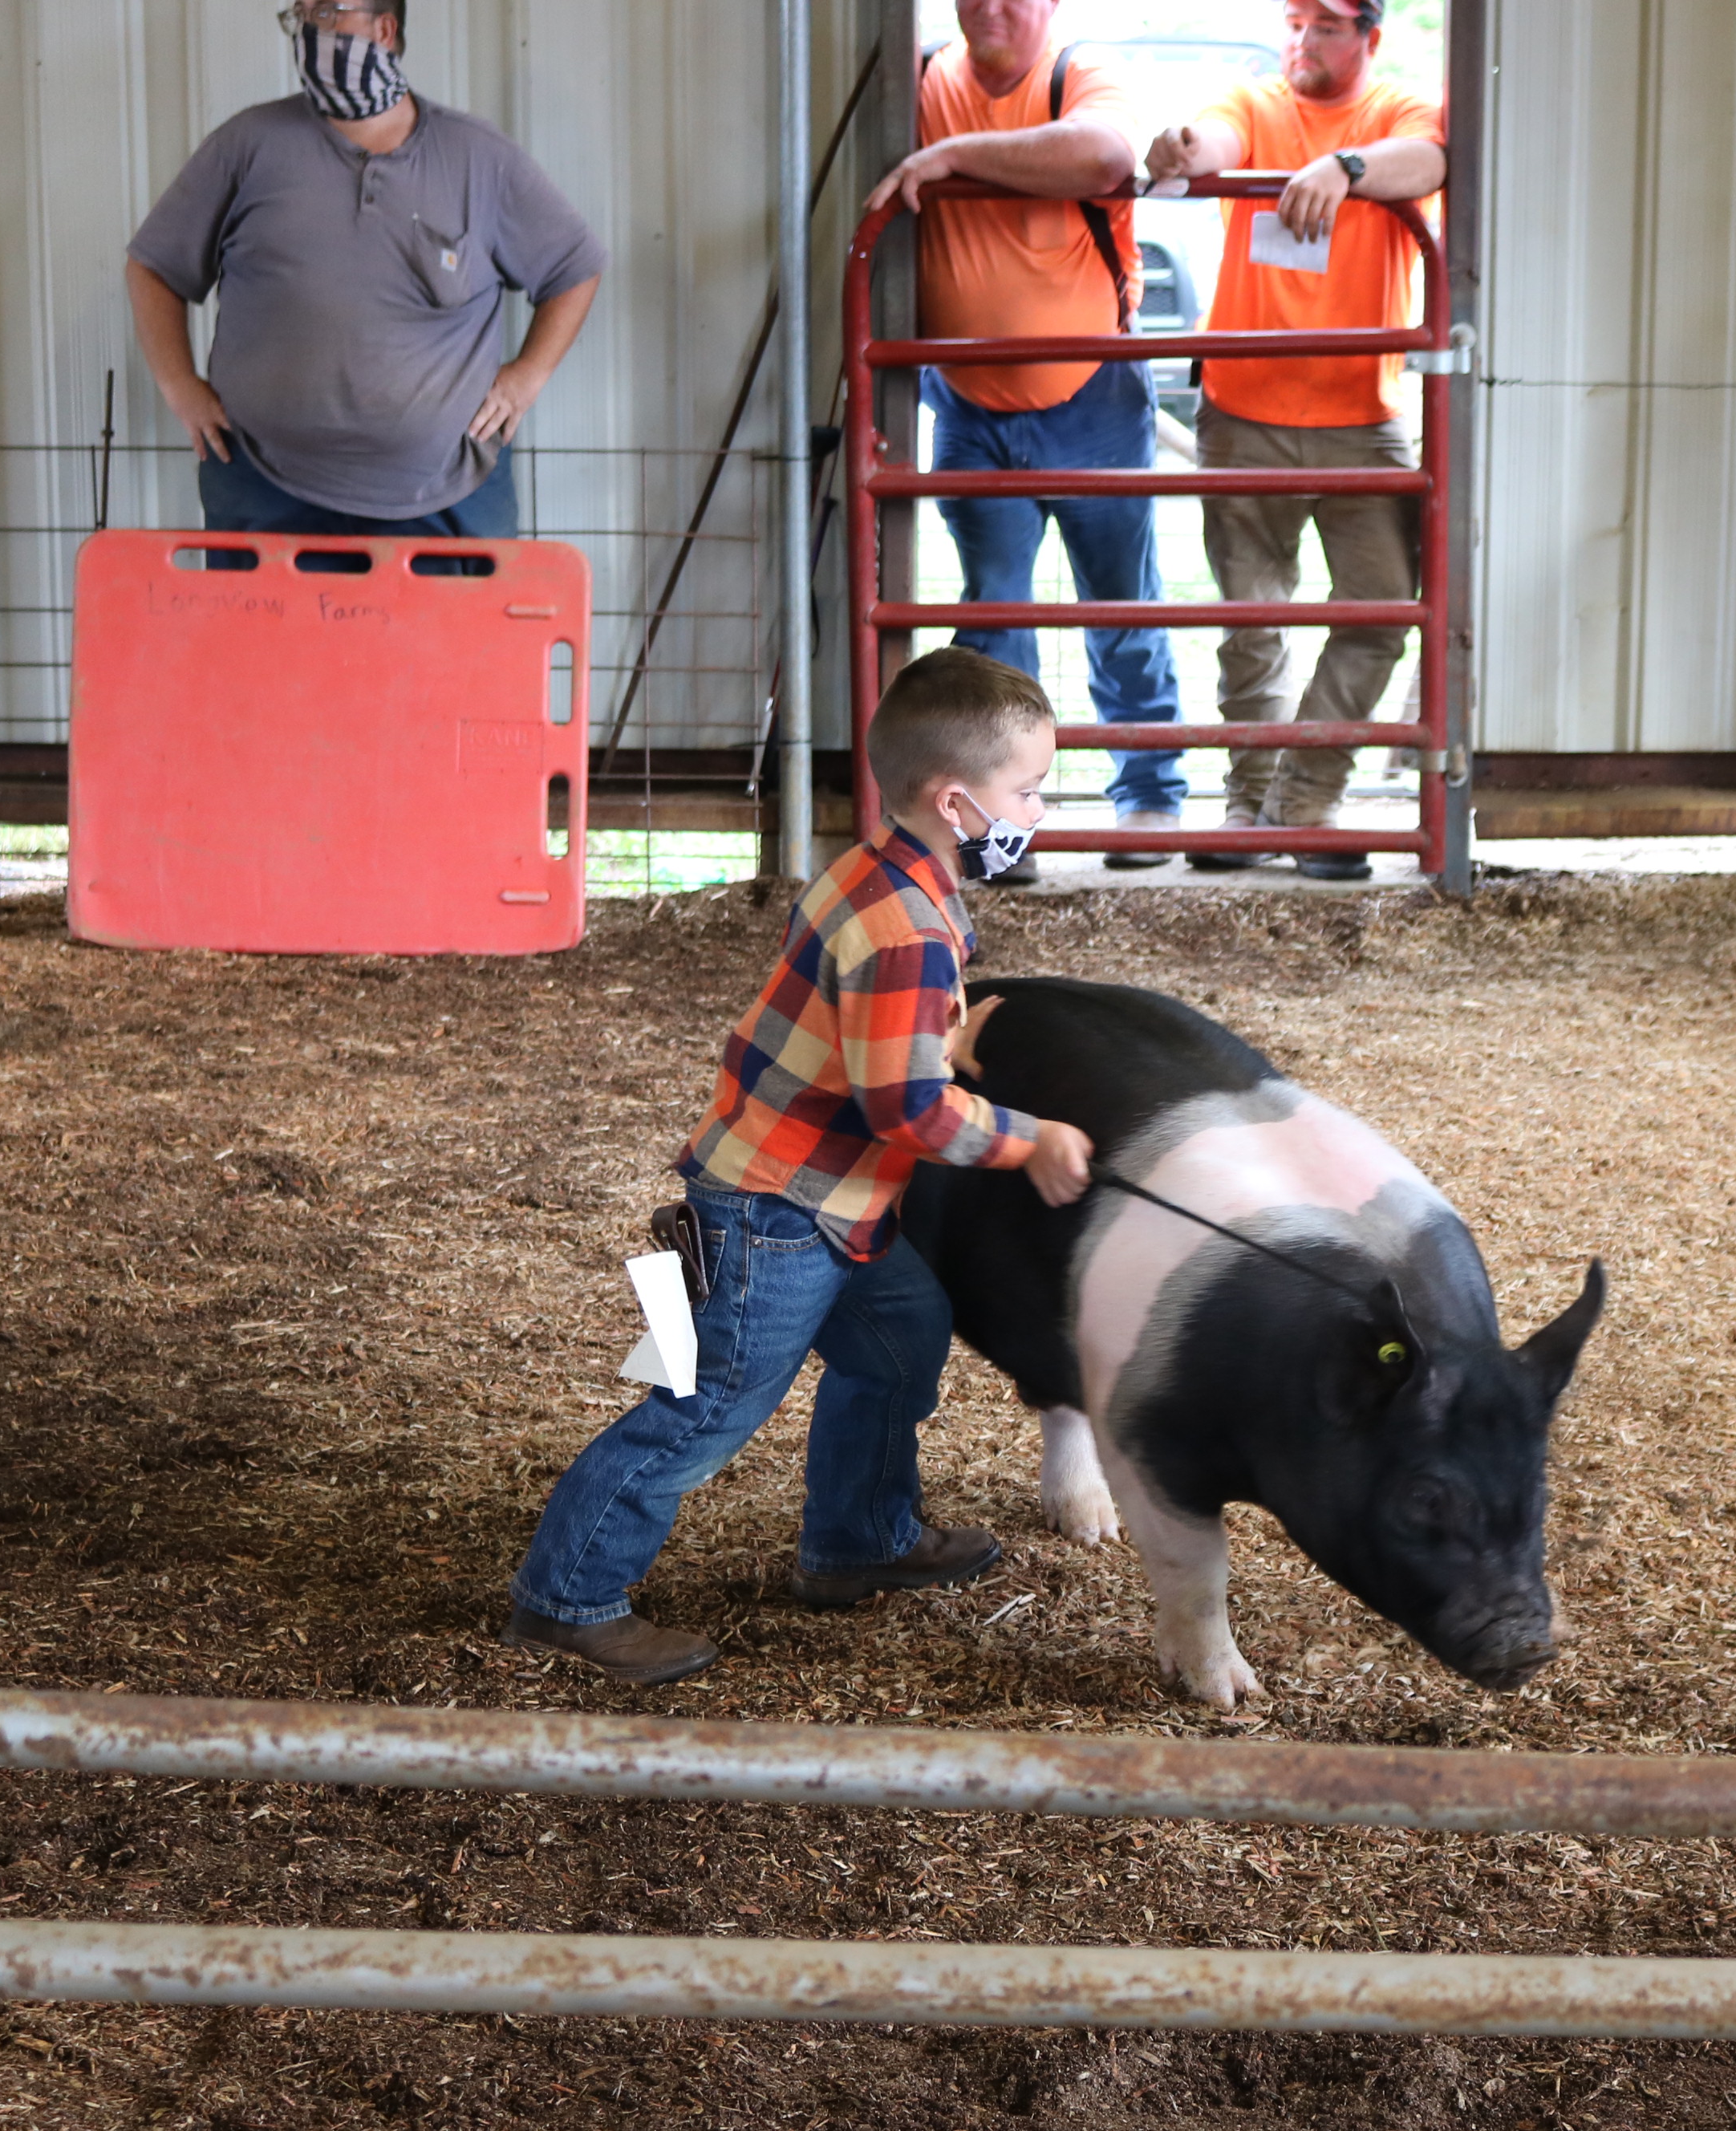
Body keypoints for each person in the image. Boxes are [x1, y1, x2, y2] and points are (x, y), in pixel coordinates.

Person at [504, 649, 1097, 1685]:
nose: (1037, 810)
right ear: (958, 801)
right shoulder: (910, 923)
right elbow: (904, 1109)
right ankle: (567, 1595)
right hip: (777, 1219)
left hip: (831, 1207)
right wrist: (1025, 1137)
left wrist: (940, 1044)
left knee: (905, 1334)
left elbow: (861, 1032)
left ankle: (858, 1540)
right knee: (702, 1406)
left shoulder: (876, 870)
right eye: (1029, 792)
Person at [868, 0, 1187, 875]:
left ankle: (1149, 796)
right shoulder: (925, 78)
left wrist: (954, 157)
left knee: (1118, 601)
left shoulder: (1079, 73)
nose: (992, 7)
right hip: (970, 404)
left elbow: (1108, 153)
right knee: (996, 612)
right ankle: (1001, 830)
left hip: (1094, 394)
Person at [1144, 0, 1443, 880]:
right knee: (1252, 616)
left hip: (1362, 411)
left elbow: (1430, 157)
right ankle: (1252, 802)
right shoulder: (1256, 101)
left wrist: (1345, 166)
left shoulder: (1394, 111)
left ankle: (1306, 794)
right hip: (1246, 410)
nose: (1304, 40)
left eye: (1328, 24)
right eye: (1296, 20)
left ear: (1370, 37)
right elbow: (1216, 140)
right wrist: (1181, 147)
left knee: (1383, 607)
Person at [124, 0, 603, 539]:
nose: (310, 28)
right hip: (264, 489)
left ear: (385, 28)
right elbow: (154, 266)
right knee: (269, 629)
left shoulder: (478, 157)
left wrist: (526, 378)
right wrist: (178, 385)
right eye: (301, 14)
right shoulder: (247, 145)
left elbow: (573, 268)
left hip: (446, 496)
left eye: (328, 12)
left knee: (452, 629)